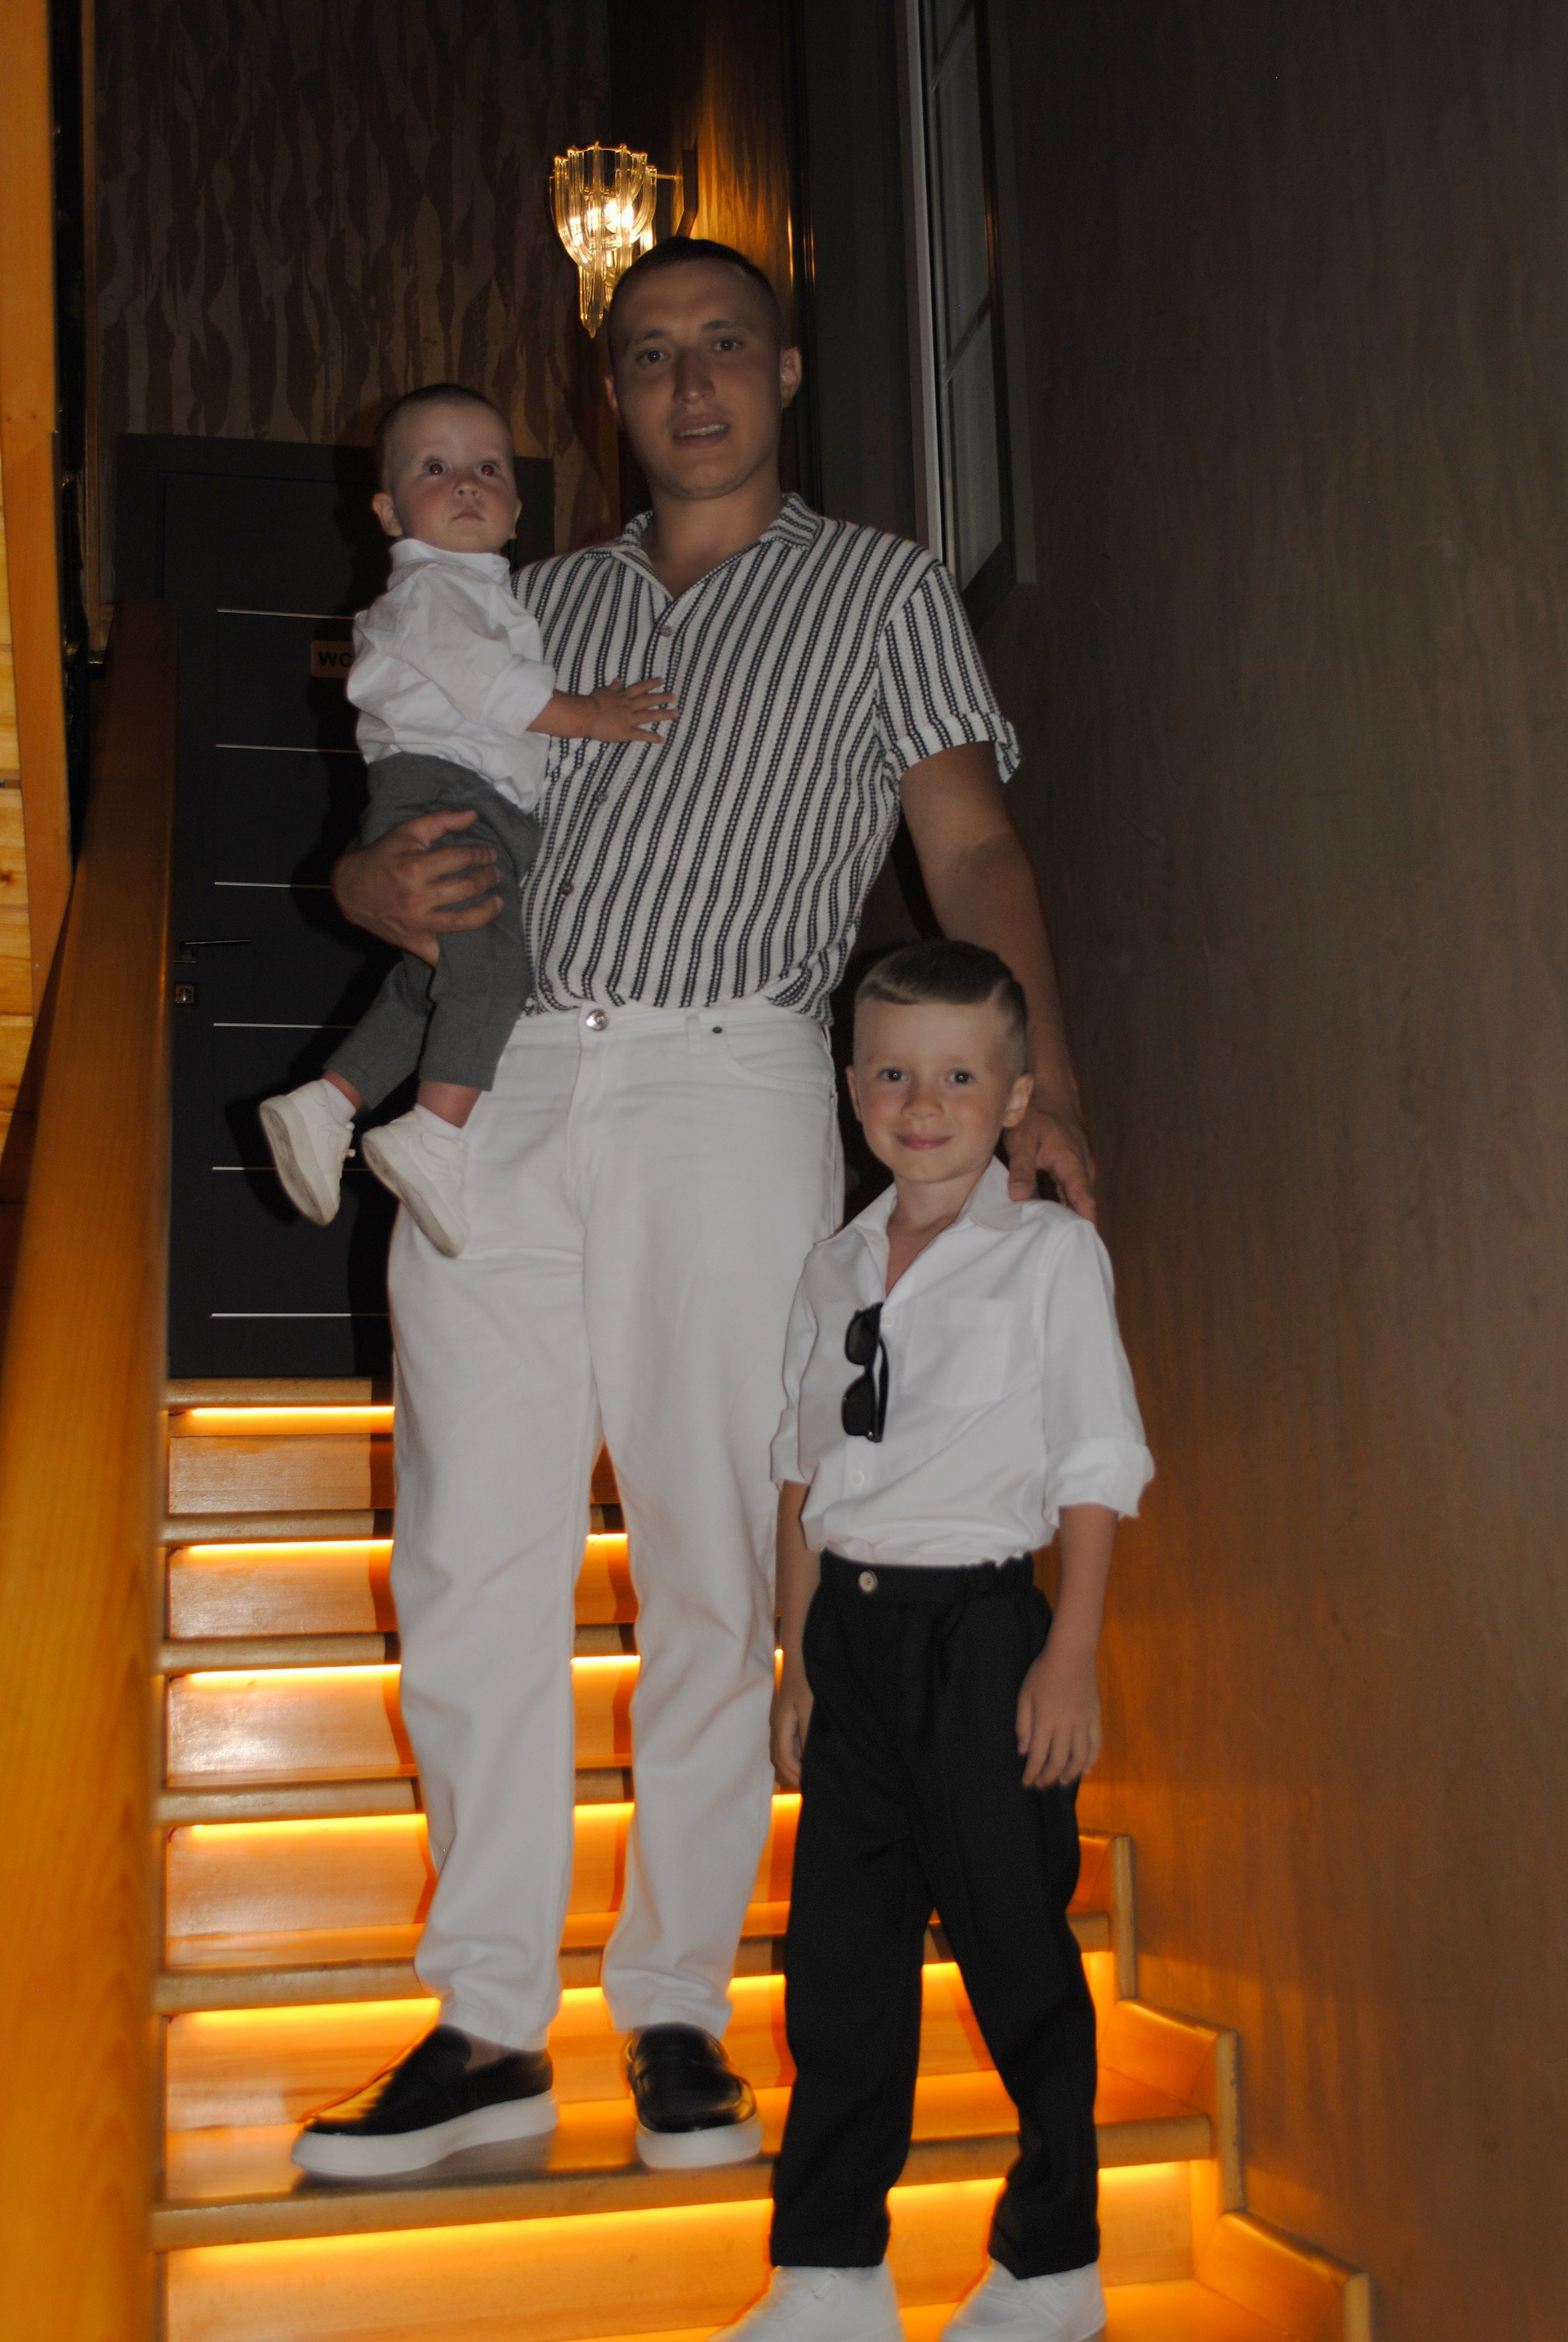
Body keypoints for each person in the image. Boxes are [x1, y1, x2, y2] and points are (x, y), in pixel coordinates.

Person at [292, 236, 1100, 2184]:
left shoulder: (878, 586)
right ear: (610, 393)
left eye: (725, 344)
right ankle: (488, 2021)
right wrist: (357, 892)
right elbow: (413, 800)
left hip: (729, 1081)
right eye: (649, 353)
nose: (690, 380)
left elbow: (969, 841)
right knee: (466, 1552)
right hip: (497, 1084)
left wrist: (1044, 1088)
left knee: (719, 1560)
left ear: (785, 370)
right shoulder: (528, 593)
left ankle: (673, 2003)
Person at [724, 940, 1152, 2342]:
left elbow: (1097, 1460)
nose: (925, 1103)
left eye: (961, 1077)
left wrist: (1069, 1654)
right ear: (854, 1087)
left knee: (1014, 1946)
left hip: (982, 1638)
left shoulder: (1049, 1254)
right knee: (839, 1967)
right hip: (849, 1643)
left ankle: (1055, 2262)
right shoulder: (834, 1264)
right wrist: (796, 1659)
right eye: (896, 1073)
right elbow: (804, 1473)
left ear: (1015, 1096)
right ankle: (831, 2273)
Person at [259, 383, 676, 1258]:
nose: (464, 484)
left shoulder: (481, 589)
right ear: (387, 511)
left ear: (518, 508)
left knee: (443, 974)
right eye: (434, 468)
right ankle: (434, 1132)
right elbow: (494, 689)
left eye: (488, 469)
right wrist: (591, 715)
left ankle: (327, 1102)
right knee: (494, 973)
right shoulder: (430, 591)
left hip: (475, 799)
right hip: (448, 793)